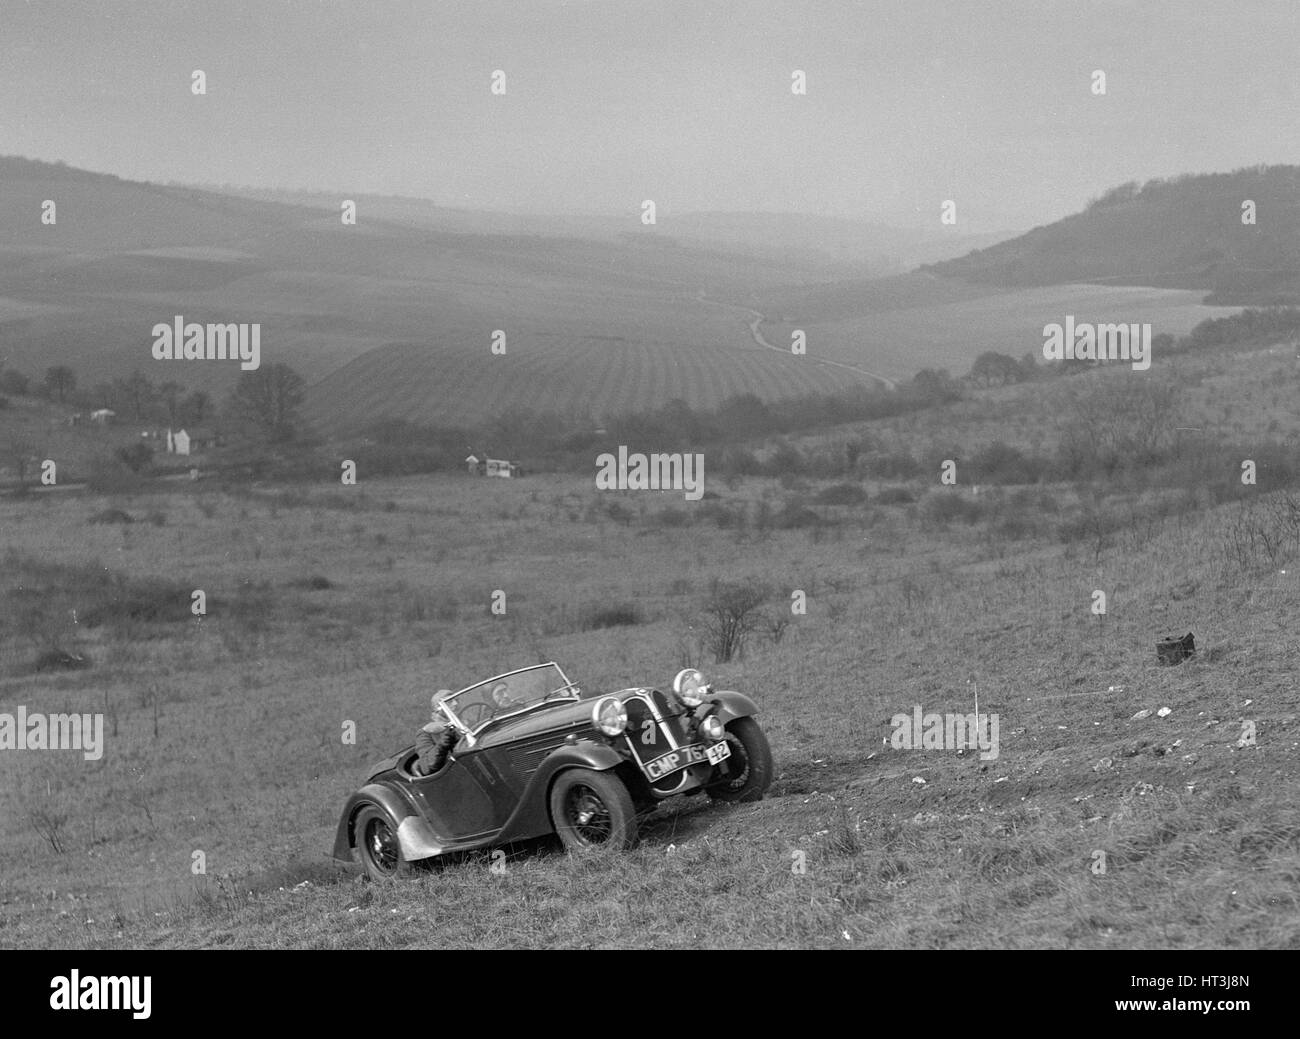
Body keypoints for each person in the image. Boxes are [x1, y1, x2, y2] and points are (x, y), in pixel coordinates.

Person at [414, 693, 458, 776]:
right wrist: (443, 743)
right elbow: (426, 766)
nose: (456, 703)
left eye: (457, 700)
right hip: (452, 772)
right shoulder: (426, 733)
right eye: (449, 701)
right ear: (438, 708)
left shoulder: (467, 722)